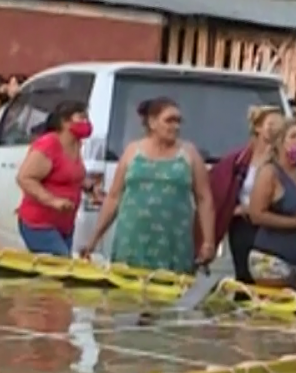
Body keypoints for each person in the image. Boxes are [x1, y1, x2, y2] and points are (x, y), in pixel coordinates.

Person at [84, 97, 216, 272]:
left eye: (178, 121)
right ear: (152, 123)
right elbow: (114, 197)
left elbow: (204, 198)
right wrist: (93, 241)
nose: (175, 126)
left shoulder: (189, 154)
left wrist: (208, 242)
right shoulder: (132, 151)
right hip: (132, 241)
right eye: (169, 120)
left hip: (173, 243)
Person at [207, 105, 284, 283]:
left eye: (279, 124)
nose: (275, 128)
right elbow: (220, 186)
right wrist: (234, 210)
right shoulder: (239, 160)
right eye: (270, 123)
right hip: (243, 226)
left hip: (271, 225)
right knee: (244, 275)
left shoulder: (283, 161)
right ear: (257, 127)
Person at [15, 100, 90, 256]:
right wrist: (53, 201)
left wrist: (91, 189)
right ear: (64, 121)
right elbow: (25, 178)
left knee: (58, 273)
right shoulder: (49, 144)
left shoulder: (76, 144)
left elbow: (72, 175)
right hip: (39, 224)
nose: (86, 123)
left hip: (65, 226)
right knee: (62, 266)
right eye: (81, 118)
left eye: (86, 119)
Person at [246, 119, 296, 288]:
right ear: (280, 143)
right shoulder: (270, 173)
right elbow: (256, 215)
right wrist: (294, 222)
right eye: (293, 136)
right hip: (272, 260)